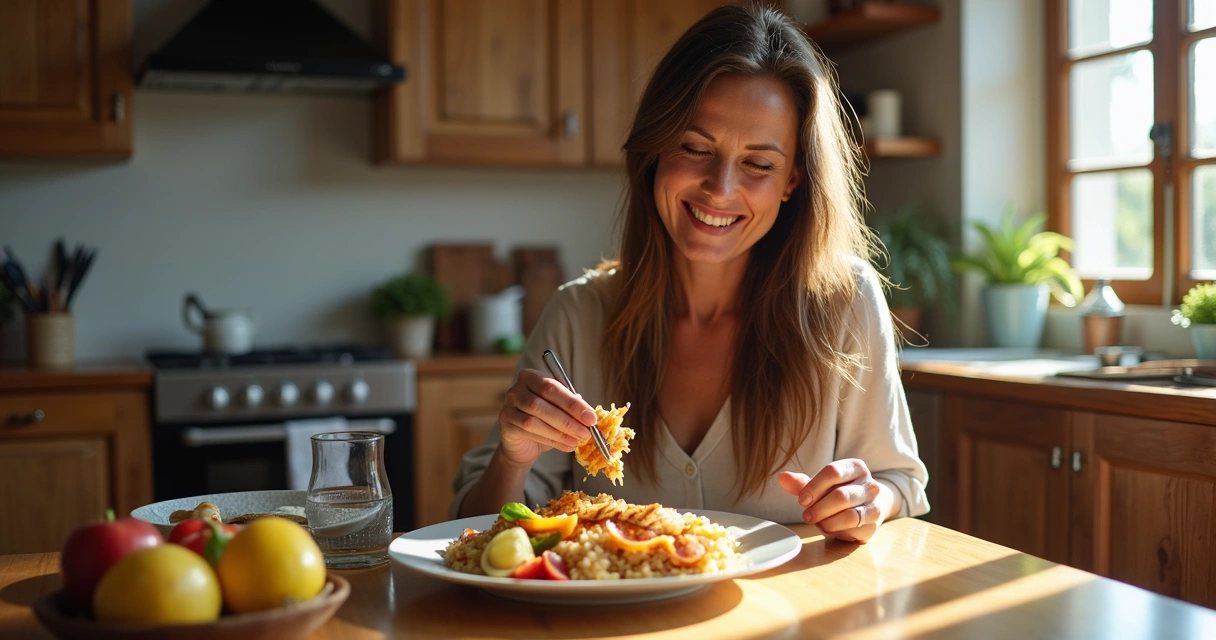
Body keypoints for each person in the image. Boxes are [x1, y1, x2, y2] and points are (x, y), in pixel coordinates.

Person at [450, 3, 928, 542]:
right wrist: (514, 457)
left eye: (758, 164)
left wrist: (868, 499)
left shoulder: (845, 302)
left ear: (792, 180)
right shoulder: (579, 314)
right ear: (656, 150)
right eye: (694, 148)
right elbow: (478, 528)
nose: (719, 189)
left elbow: (899, 481)